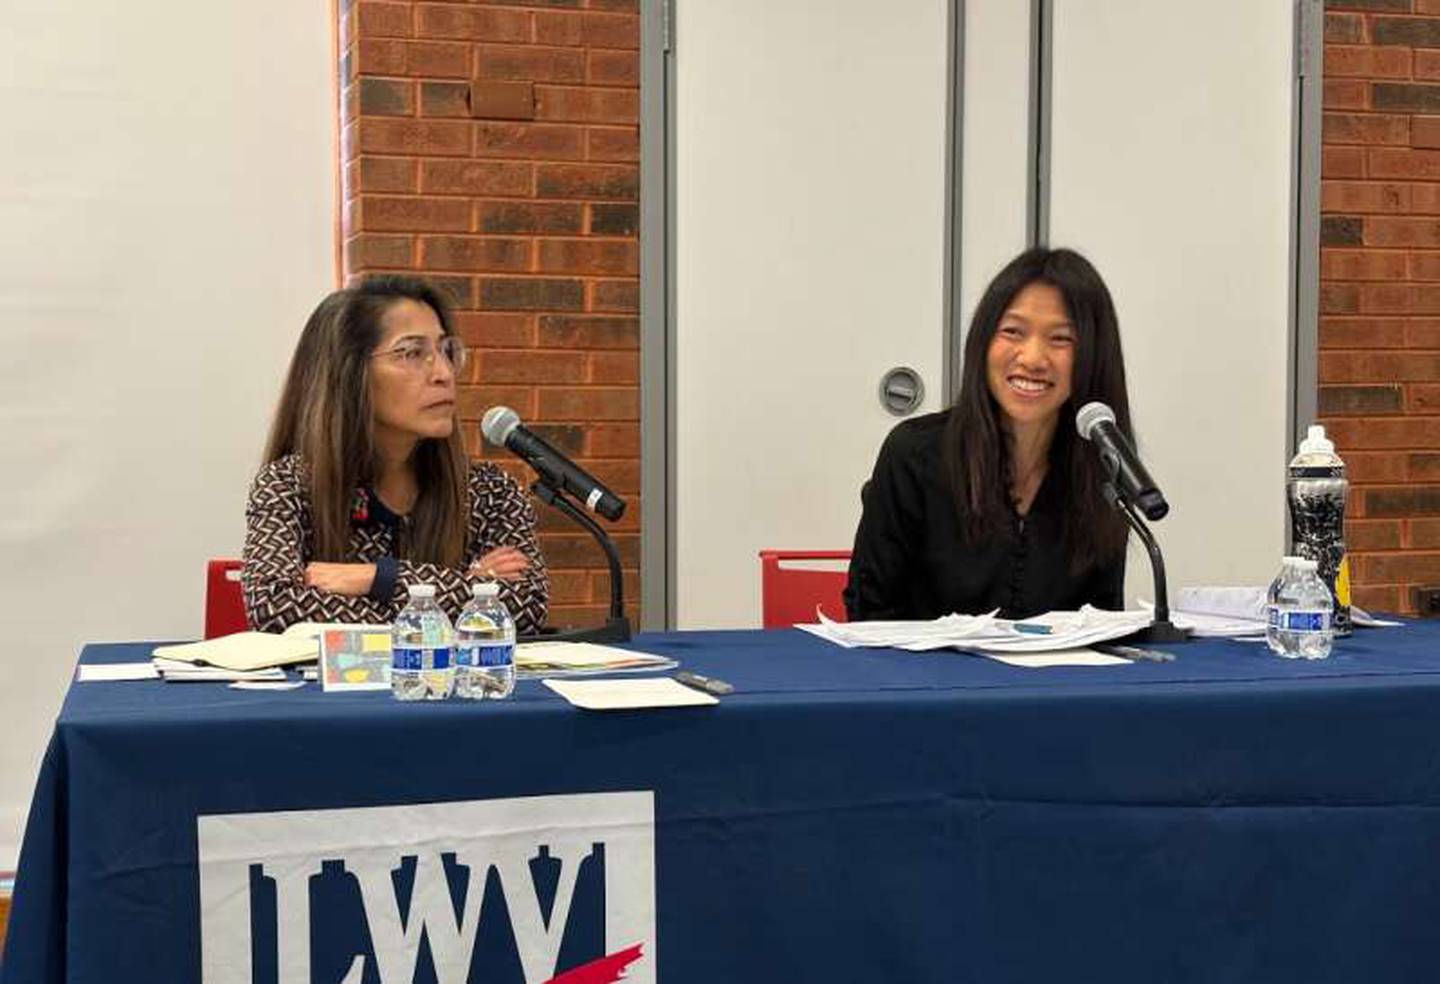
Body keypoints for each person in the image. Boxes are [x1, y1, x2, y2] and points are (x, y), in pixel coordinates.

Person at [242, 275, 548, 633]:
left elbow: (526, 605)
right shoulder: (288, 485)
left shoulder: (490, 491)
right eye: (412, 353)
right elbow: (273, 606)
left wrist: (379, 578)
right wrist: (467, 588)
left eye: (447, 351)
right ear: (349, 372)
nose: (444, 373)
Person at [843, 247, 1132, 621]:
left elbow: (1101, 621)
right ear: (983, 340)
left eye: (1061, 339)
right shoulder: (914, 455)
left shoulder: (1104, 467)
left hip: (1055, 680)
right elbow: (869, 614)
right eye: (1013, 331)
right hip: (923, 676)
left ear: (1093, 357)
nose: (1032, 358)